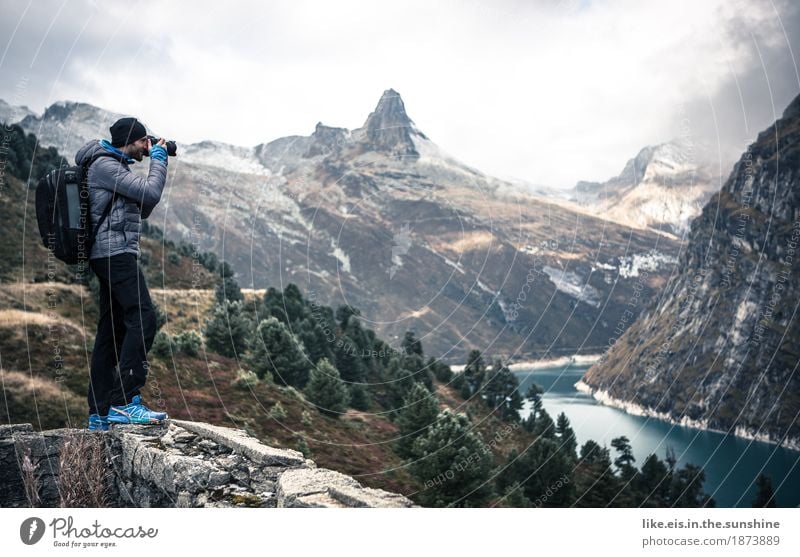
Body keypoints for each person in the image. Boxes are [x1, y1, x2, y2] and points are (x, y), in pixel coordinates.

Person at [76, 117, 170, 430]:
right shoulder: (106, 166)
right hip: (115, 255)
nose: (148, 146)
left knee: (111, 333)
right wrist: (159, 159)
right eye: (145, 141)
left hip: (110, 254)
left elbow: (142, 206)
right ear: (130, 140)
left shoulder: (113, 165)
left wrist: (150, 170)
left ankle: (99, 413)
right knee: (144, 318)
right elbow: (152, 194)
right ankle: (124, 400)